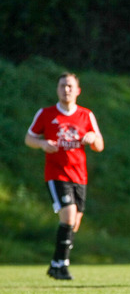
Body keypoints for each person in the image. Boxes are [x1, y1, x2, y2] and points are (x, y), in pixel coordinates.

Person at [25, 73, 104, 280]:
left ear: (78, 91)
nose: (66, 89)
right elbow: (29, 138)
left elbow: (99, 145)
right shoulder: (46, 114)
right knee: (68, 214)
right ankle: (62, 265)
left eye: (69, 86)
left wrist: (92, 138)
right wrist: (42, 143)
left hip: (79, 175)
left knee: (74, 223)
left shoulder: (86, 115)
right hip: (57, 174)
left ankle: (55, 264)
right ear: (57, 90)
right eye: (62, 86)